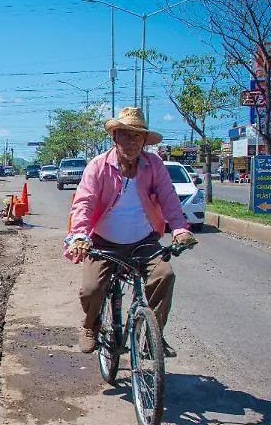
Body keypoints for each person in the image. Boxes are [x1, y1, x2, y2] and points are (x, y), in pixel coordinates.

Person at [64, 107, 198, 357]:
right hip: (104, 242)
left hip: (144, 241)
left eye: (137, 136)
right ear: (114, 137)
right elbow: (84, 202)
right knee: (92, 290)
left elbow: (169, 200)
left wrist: (179, 229)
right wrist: (80, 235)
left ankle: (154, 335)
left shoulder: (154, 165)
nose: (132, 141)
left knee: (164, 275)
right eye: (125, 134)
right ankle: (91, 324)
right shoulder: (98, 166)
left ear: (145, 140)